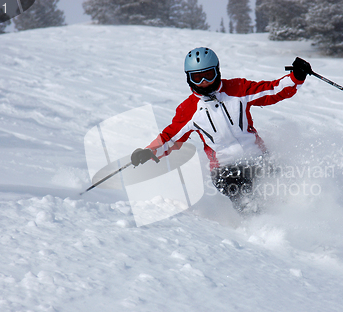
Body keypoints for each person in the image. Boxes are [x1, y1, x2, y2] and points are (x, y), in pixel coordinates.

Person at [131, 47, 312, 215]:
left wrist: (295, 77)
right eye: (197, 78)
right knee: (247, 197)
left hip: (258, 157)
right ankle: (261, 228)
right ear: (188, 78)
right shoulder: (189, 109)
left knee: (282, 189)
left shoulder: (237, 89)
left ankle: (298, 217)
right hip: (225, 170)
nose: (203, 83)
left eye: (209, 75)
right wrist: (149, 151)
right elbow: (170, 138)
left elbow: (273, 91)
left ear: (218, 71)